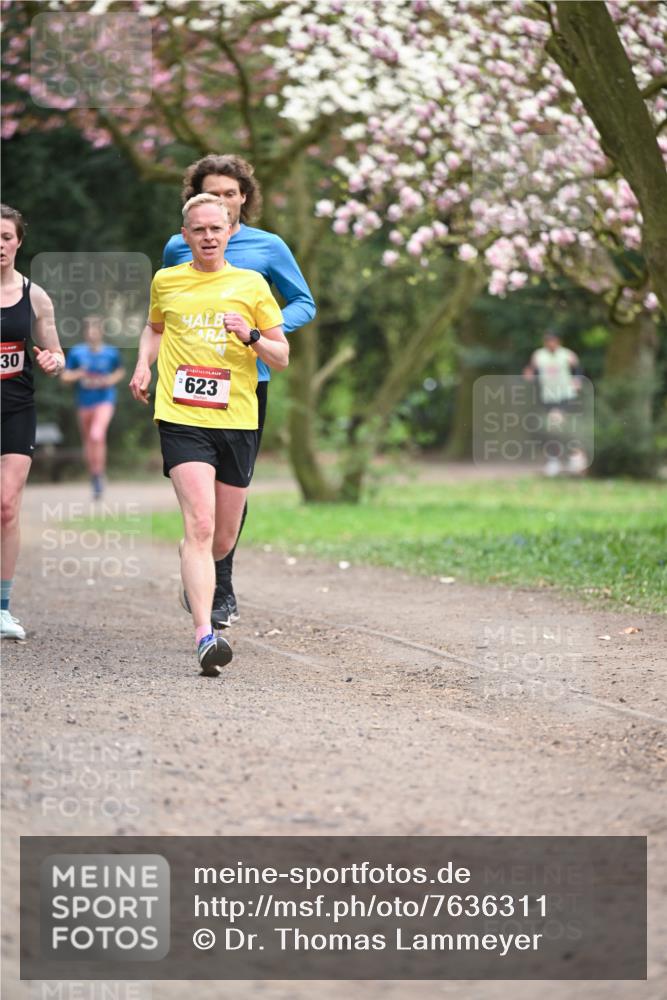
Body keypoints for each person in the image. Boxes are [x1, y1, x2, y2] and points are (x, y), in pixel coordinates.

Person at [129, 194, 288, 676]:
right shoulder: (167, 280)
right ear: (185, 236)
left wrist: (252, 337)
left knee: (220, 539)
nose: (208, 237)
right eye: (198, 230)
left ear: (229, 231)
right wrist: (143, 364)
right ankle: (205, 635)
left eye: (216, 229)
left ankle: (194, 566)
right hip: (182, 417)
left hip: (237, 420)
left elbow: (282, 356)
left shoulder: (252, 284)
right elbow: (154, 328)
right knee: (198, 526)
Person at [163, 153, 315, 627]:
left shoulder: (268, 246)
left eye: (232, 195)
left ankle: (217, 568)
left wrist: (264, 332)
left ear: (244, 198)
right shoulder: (178, 248)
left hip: (251, 381)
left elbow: (303, 302)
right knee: (201, 508)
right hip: (191, 387)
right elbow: (169, 309)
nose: (223, 207)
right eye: (215, 194)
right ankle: (216, 587)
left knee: (232, 491)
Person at [1, 204, 65, 640]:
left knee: (6, 507)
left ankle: (2, 608)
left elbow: (57, 354)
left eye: (6, 237)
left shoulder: (35, 296)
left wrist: (52, 360)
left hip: (16, 409)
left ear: (19, 241)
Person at [60, 315, 125, 499]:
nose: (92, 333)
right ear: (85, 332)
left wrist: (109, 380)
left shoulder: (111, 352)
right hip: (84, 402)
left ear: (101, 332)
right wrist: (79, 374)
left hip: (105, 400)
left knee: (98, 433)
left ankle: (99, 474)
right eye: (88, 329)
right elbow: (64, 377)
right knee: (89, 441)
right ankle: (95, 475)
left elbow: (119, 371)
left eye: (95, 329)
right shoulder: (77, 353)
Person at [523, 330, 586, 476]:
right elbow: (532, 370)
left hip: (565, 394)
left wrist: (577, 380)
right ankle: (570, 457)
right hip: (548, 397)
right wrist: (529, 375)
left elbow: (577, 369)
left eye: (553, 340)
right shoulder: (538, 355)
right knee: (555, 428)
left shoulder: (567, 354)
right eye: (548, 341)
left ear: (558, 341)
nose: (550, 343)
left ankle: (563, 459)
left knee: (556, 421)